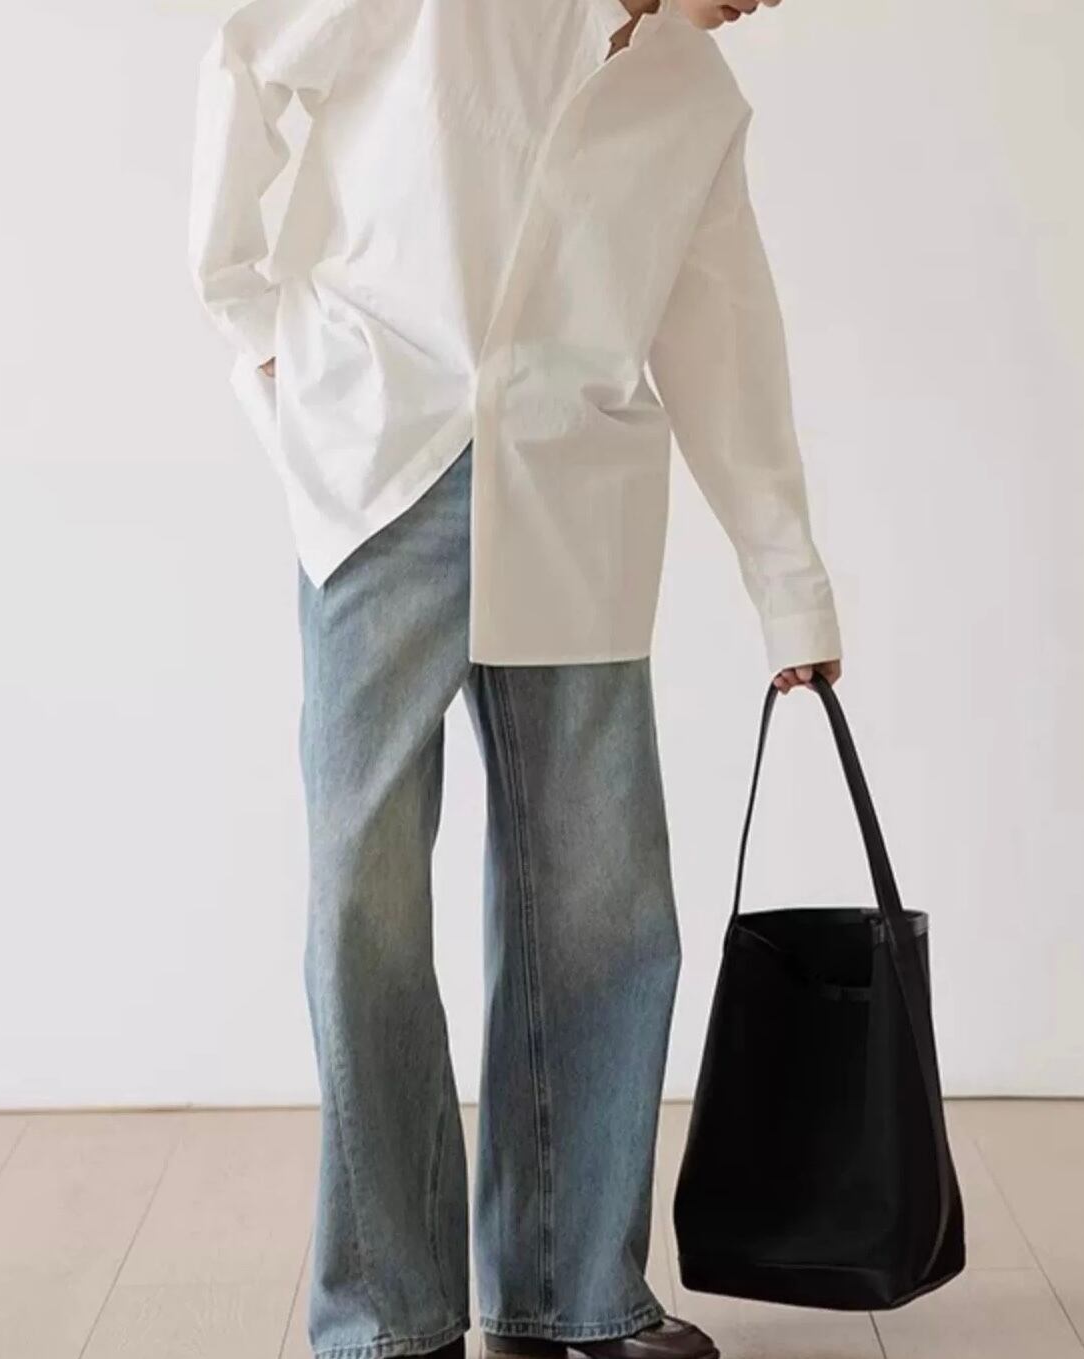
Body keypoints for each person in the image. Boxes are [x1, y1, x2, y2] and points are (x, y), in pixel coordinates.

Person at [188, 2, 842, 1357]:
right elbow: (248, 54)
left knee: (601, 906)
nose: (770, 4)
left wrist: (789, 584)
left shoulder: (694, 99)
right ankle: (389, 1314)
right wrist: (256, 327)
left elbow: (723, 340)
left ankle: (571, 1293)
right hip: (381, 472)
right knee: (361, 901)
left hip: (572, 493)